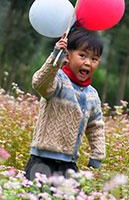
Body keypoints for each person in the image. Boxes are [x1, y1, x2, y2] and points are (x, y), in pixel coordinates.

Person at [25, 24, 107, 182]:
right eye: (82, 55)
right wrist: (56, 57)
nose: (88, 63)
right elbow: (39, 83)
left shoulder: (92, 95)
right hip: (42, 160)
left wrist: (97, 155)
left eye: (94, 59)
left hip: (69, 163)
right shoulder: (58, 81)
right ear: (68, 56)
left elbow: (95, 126)